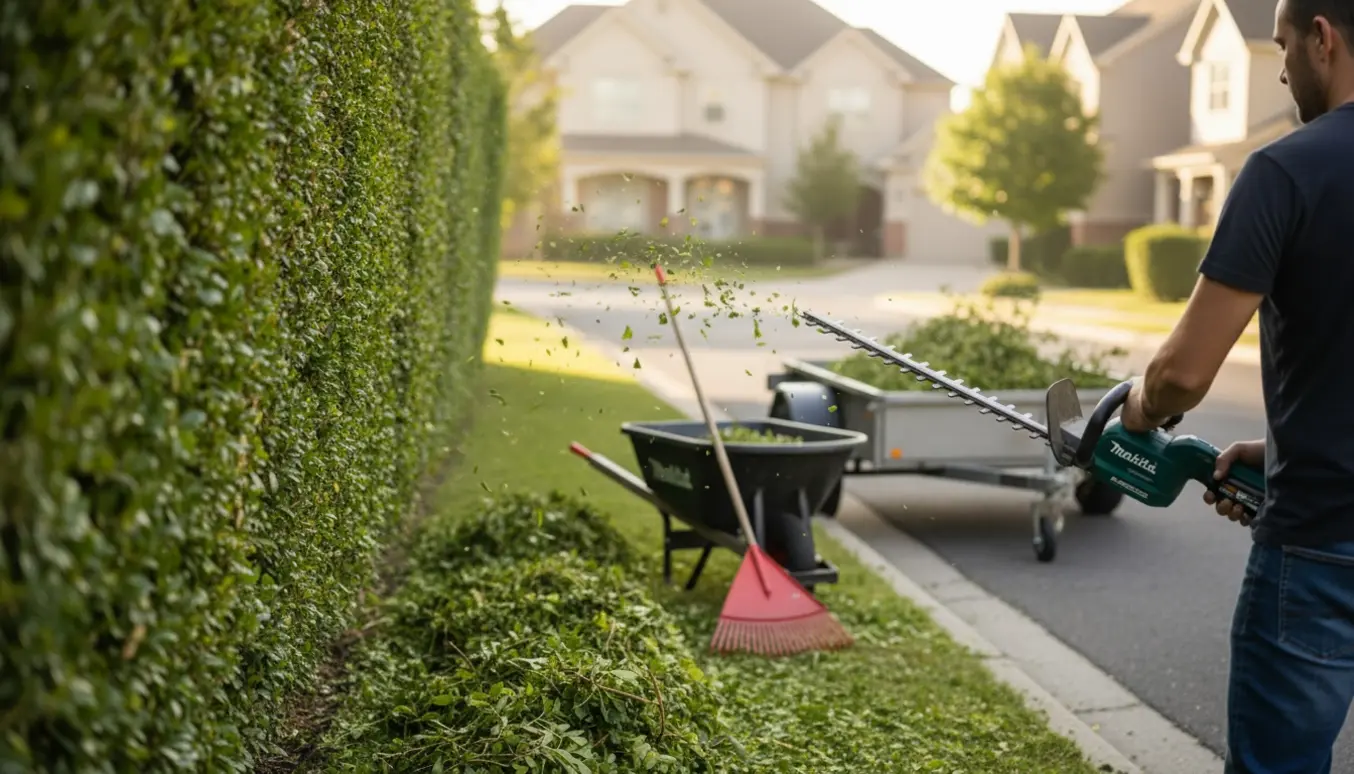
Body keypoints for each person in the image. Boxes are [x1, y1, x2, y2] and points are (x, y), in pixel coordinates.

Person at [1119, 0, 1354, 770]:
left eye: (1284, 44)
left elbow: (1183, 374)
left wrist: (1141, 407)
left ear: (1323, 37)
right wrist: (1286, 442)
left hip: (1323, 546)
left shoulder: (1287, 169)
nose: (1281, 67)